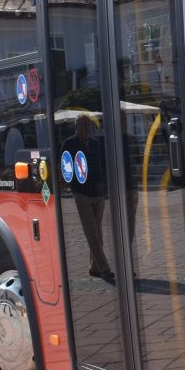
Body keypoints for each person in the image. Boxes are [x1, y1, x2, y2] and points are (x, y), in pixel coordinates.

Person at [63, 114, 112, 279]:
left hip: (99, 194)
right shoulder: (69, 144)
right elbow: (65, 169)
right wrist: (74, 186)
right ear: (76, 128)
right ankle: (105, 269)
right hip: (82, 194)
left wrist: (105, 187)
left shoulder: (97, 144)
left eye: (89, 125)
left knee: (98, 233)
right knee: (91, 232)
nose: (87, 128)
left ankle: (94, 267)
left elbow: (104, 166)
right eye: (83, 125)